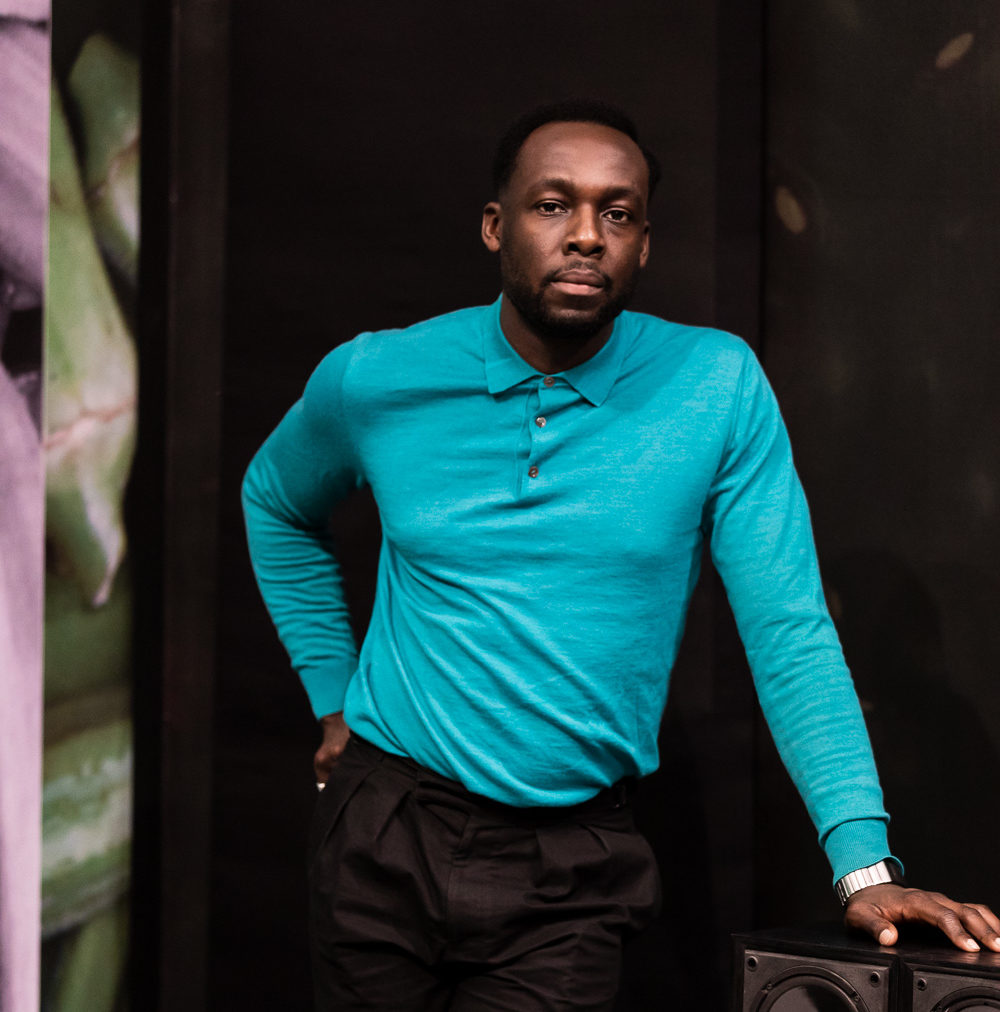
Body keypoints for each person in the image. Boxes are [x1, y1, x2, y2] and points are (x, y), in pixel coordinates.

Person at [242, 100, 1000, 1010]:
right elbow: (275, 502)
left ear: (644, 244)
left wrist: (862, 868)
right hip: (385, 825)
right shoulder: (377, 378)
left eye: (617, 212)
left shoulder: (715, 386)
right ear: (496, 226)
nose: (586, 237)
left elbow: (789, 631)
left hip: (569, 865)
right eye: (552, 205)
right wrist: (332, 692)